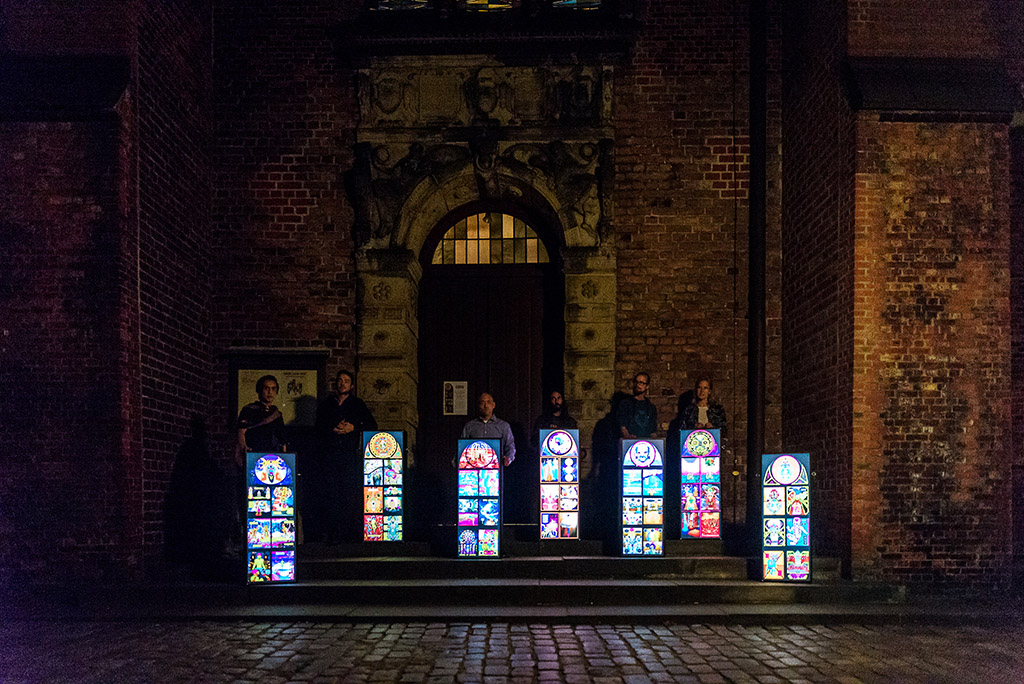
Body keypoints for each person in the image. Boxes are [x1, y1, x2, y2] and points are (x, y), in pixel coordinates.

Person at [314, 369, 377, 542]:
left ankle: (349, 533)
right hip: (329, 455)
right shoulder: (326, 405)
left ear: (352, 385)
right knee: (330, 493)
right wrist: (331, 428)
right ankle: (332, 533)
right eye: (340, 380)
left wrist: (353, 427)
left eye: (346, 381)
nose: (342, 383)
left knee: (348, 493)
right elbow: (317, 427)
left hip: (349, 455)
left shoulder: (357, 404)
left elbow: (372, 425)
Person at [236, 375, 287, 460]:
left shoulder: (277, 414)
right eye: (266, 388)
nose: (270, 392)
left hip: (273, 456)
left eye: (273, 389)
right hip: (254, 453)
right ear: (260, 390)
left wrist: (284, 456)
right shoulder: (249, 410)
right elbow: (241, 432)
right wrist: (244, 449)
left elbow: (282, 438)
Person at [461, 392, 515, 467]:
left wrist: (508, 458)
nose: (486, 406)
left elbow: (510, 446)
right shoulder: (470, 426)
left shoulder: (503, 426)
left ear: (493, 405)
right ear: (478, 406)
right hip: (473, 468)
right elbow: (462, 447)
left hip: (496, 468)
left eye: (488, 402)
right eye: (482, 403)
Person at [616, 372, 658, 439]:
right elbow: (622, 424)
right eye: (636, 382)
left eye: (641, 383)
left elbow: (653, 429)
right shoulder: (626, 404)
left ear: (647, 386)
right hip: (630, 443)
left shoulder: (651, 407)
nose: (638, 385)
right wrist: (627, 436)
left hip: (646, 444)